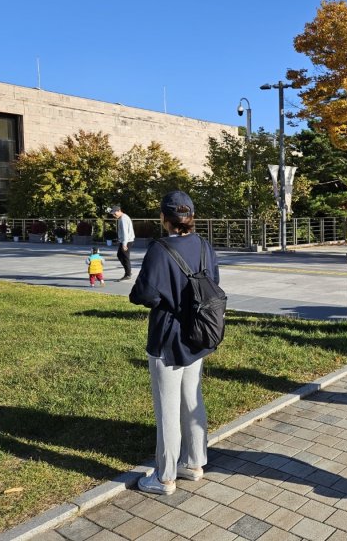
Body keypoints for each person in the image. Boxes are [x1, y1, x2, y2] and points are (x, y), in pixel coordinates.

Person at [129, 190, 220, 495]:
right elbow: (213, 283)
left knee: (167, 409)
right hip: (199, 335)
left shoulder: (160, 249)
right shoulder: (205, 246)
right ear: (191, 217)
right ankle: (194, 463)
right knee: (192, 399)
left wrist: (163, 297)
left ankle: (165, 477)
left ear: (164, 218)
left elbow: (142, 294)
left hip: (167, 339)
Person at [108, 205, 135, 281]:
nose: (113, 215)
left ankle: (128, 274)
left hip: (127, 241)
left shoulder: (123, 219)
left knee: (125, 257)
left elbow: (125, 232)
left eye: (114, 213)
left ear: (119, 211)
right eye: (112, 214)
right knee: (120, 255)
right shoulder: (122, 217)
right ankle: (128, 271)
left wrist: (124, 244)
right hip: (125, 240)